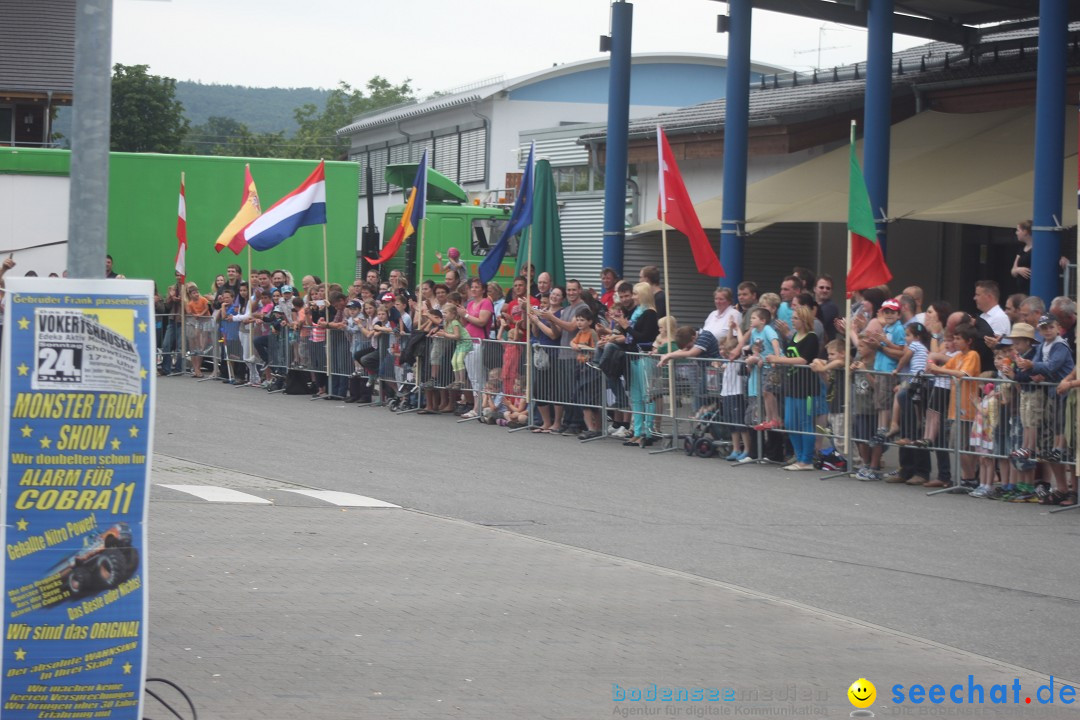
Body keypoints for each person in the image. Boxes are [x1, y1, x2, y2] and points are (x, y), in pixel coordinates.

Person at [766, 305, 820, 471]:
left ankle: (807, 459)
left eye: (796, 318)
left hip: (807, 388)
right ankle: (799, 455)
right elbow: (790, 356)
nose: (792, 320)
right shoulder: (795, 336)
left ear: (804, 320)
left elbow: (803, 359)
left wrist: (778, 359)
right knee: (790, 422)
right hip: (792, 386)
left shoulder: (812, 337)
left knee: (805, 422)